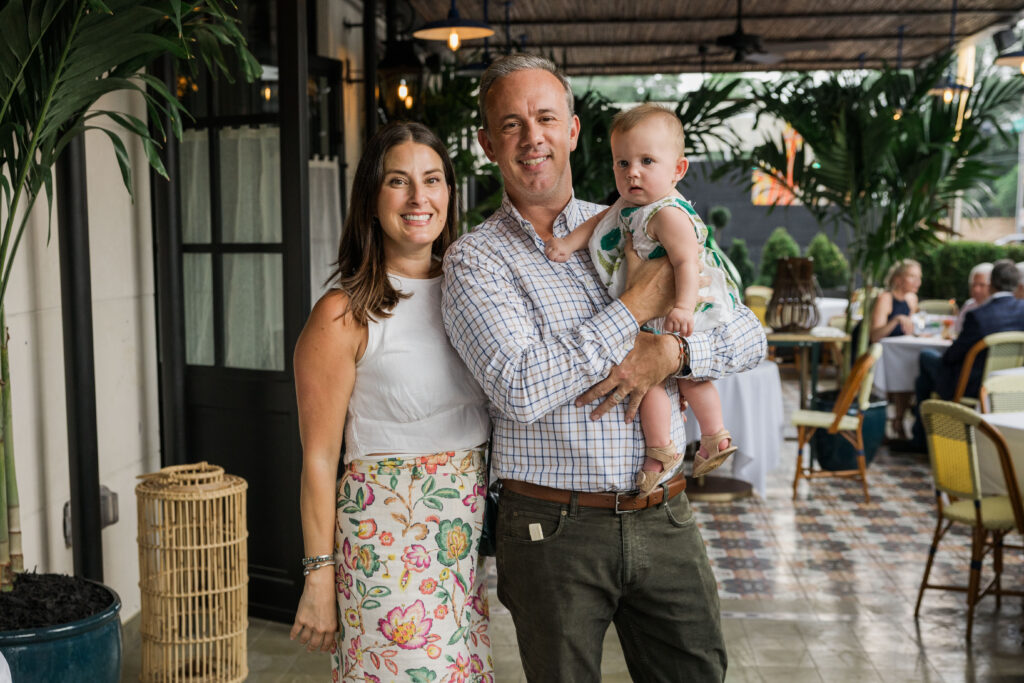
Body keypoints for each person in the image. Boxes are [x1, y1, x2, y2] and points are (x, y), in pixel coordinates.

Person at [442, 54, 766, 681]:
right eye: (510, 125)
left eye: (545, 118)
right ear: (487, 144)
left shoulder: (653, 217)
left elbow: (747, 334)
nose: (532, 138)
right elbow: (521, 388)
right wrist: (636, 303)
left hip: (665, 514)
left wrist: (672, 353)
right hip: (551, 529)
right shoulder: (475, 261)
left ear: (572, 129)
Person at [289, 122, 493, 680]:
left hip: (458, 542)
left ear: (450, 194)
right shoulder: (342, 314)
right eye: (398, 181)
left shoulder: (473, 293)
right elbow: (319, 458)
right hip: (385, 546)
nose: (418, 197)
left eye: (432, 180)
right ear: (372, 200)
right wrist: (319, 577)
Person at [544, 103, 740, 494]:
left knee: (689, 377)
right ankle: (670, 447)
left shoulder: (666, 214)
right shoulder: (629, 206)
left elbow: (686, 261)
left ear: (678, 170)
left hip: (681, 310)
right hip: (653, 315)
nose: (632, 171)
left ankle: (706, 436)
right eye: (622, 162)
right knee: (650, 380)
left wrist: (683, 307)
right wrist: (567, 244)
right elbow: (597, 223)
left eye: (647, 161)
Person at [907, 259, 1024, 449]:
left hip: (972, 386)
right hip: (1009, 388)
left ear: (992, 284)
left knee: (926, 359)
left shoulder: (980, 315)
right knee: (925, 377)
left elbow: (951, 356)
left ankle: (922, 440)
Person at [868, 259, 922, 439]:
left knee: (908, 368)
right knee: (901, 367)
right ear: (898, 279)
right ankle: (881, 423)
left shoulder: (912, 299)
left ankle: (898, 420)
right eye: (912, 277)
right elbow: (875, 336)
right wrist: (896, 319)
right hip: (876, 353)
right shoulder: (885, 298)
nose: (917, 282)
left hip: (898, 353)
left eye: (919, 278)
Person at [954, 262, 993, 334]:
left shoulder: (996, 308)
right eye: (973, 284)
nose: (976, 290)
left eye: (982, 285)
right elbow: (957, 330)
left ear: (992, 287)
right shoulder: (969, 305)